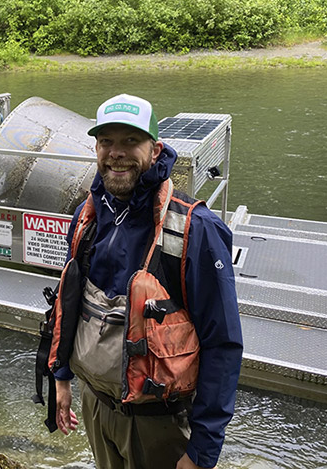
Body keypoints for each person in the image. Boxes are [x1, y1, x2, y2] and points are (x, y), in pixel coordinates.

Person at [37, 93, 242, 469]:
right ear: (95, 147)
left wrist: (202, 451)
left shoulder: (196, 230)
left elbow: (223, 345)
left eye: (131, 141)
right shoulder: (87, 216)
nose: (117, 153)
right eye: (106, 141)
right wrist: (61, 377)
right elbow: (68, 304)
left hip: (159, 423)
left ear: (155, 148)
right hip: (96, 405)